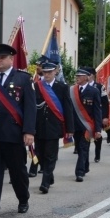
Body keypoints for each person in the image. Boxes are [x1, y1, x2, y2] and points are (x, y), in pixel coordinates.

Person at [0, 43, 36, 218]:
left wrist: (29, 132)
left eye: (2, 57)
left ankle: (23, 199)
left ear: (11, 59)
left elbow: (30, 108)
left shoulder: (23, 79)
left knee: (17, 171)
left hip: (13, 134)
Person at [33, 61, 74, 194]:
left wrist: (70, 129)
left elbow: (68, 108)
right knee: (40, 154)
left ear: (55, 71)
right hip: (39, 126)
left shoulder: (62, 87)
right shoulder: (36, 86)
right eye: (44, 72)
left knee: (50, 155)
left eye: (49, 72)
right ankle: (49, 175)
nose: (47, 75)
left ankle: (45, 183)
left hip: (53, 126)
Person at [70, 67, 102, 182]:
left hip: (87, 126)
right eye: (76, 76)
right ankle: (85, 165)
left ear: (86, 77)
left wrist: (98, 129)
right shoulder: (72, 90)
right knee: (79, 148)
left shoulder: (94, 91)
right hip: (75, 125)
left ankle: (79, 172)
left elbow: (97, 111)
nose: (77, 78)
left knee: (83, 148)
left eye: (79, 76)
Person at [28, 56, 48, 178]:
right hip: (36, 118)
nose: (37, 67)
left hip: (48, 119)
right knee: (38, 144)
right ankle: (34, 167)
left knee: (45, 145)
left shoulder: (52, 82)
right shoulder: (33, 81)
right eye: (37, 65)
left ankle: (44, 167)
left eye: (40, 65)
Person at [89, 67, 108, 162]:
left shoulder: (100, 87)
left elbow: (105, 103)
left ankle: (97, 154)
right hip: (86, 116)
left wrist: (105, 116)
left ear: (93, 75)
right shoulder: (79, 87)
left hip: (97, 115)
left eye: (88, 74)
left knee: (97, 135)